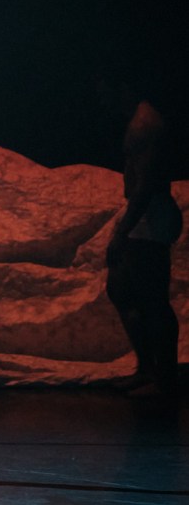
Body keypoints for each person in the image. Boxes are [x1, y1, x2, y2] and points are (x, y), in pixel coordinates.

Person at [100, 77, 183, 397]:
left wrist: (123, 230)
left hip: (151, 212)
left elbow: (146, 184)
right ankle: (148, 368)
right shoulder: (139, 121)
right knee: (120, 288)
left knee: (153, 300)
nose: (102, 99)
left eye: (104, 90)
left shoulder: (146, 124)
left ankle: (164, 379)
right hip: (145, 213)